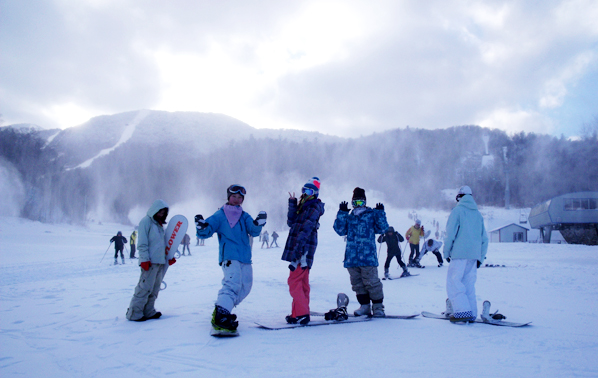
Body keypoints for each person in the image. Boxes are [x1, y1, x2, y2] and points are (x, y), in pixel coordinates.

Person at [196, 184, 266, 335]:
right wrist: (201, 227)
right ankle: (221, 316)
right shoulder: (220, 215)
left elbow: (253, 231)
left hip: (245, 257)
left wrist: (259, 224)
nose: (237, 199)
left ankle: (223, 311)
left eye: (240, 197)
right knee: (232, 285)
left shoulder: (244, 215)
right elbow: (206, 232)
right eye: (234, 196)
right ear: (228, 197)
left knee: (245, 287)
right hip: (229, 256)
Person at [333, 187, 389, 317]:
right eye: (355, 203)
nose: (358, 206)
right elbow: (339, 230)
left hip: (368, 256)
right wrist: (342, 213)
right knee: (357, 284)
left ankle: (378, 307)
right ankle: (364, 306)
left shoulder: (371, 215)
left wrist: (380, 213)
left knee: (372, 282)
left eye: (360, 202)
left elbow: (382, 228)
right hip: (352, 258)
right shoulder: (349, 217)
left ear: (365, 202)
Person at [281, 177, 325, 325]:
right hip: (300, 247)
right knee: (301, 282)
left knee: (293, 281)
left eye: (309, 191)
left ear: (315, 193)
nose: (305, 193)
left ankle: (301, 313)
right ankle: (298, 313)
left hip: (303, 249)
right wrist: (293, 204)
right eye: (304, 190)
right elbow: (291, 222)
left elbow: (306, 228)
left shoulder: (313, 207)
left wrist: (298, 249)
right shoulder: (304, 206)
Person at [443, 185, 488, 323]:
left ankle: (462, 312)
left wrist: (446, 252)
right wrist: (480, 257)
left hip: (459, 253)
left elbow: (450, 233)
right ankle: (472, 312)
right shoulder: (478, 214)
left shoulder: (458, 211)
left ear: (459, 197)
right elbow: (484, 239)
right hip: (474, 256)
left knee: (454, 282)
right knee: (469, 284)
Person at [126, 200, 176, 321]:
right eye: (160, 211)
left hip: (159, 262)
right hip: (150, 262)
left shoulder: (159, 225)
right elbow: (142, 243)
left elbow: (161, 245)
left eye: (163, 212)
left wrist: (167, 258)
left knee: (154, 288)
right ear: (154, 209)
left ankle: (148, 311)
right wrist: (144, 259)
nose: (161, 214)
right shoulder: (146, 222)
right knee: (144, 288)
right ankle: (134, 313)